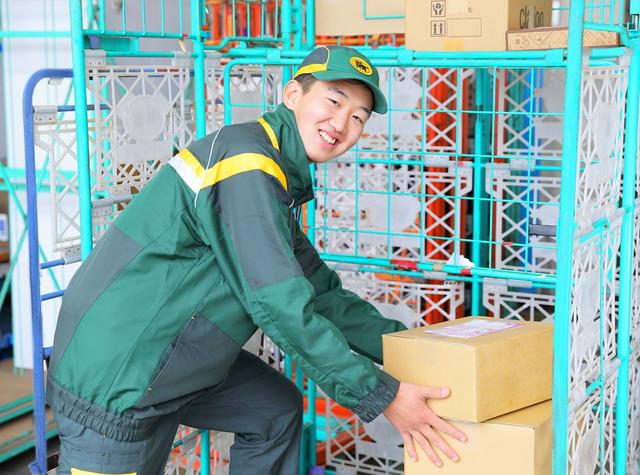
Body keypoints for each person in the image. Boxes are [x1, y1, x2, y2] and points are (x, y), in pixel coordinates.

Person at [47, 45, 466, 474]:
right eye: (333, 101)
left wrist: (418, 350)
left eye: (358, 117)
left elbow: (322, 296)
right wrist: (381, 395)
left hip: (173, 353)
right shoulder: (246, 164)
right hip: (118, 376)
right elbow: (278, 302)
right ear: (292, 95)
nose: (341, 124)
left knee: (272, 412)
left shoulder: (272, 175)